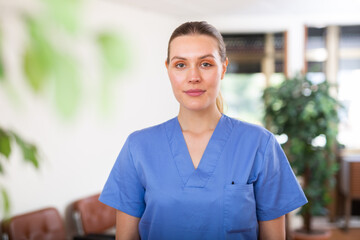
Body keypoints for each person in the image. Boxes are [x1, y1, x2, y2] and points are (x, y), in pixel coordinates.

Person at [99, 21, 307, 240]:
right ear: (168, 69)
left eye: (206, 64)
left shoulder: (260, 145)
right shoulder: (138, 147)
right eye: (181, 65)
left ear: (224, 68)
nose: (193, 77)